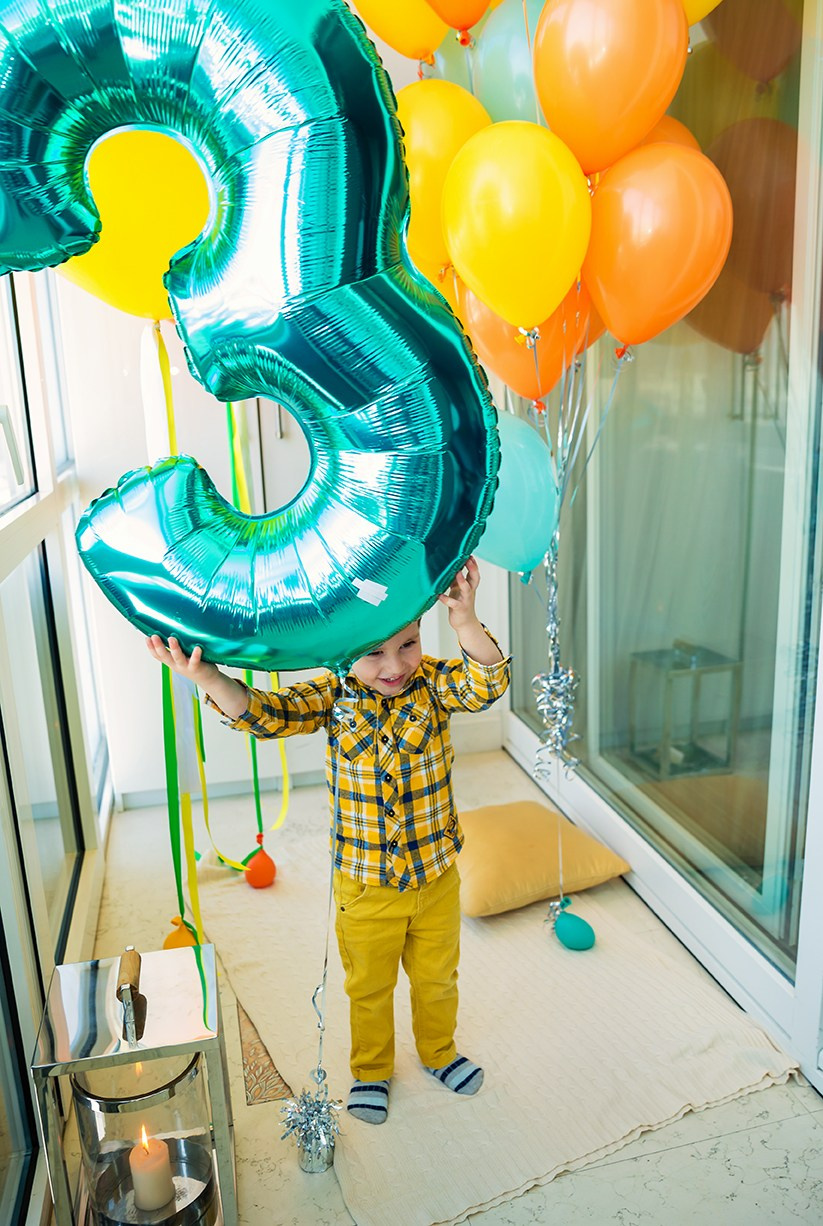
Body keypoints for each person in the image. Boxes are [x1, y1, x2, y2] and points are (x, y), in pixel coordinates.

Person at [146, 556, 510, 1125]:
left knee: (438, 978)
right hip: (365, 887)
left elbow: (487, 685)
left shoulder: (434, 684)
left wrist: (466, 621)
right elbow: (268, 715)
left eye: (408, 644)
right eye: (373, 653)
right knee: (368, 985)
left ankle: (439, 1053)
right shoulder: (330, 694)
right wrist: (209, 679)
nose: (394, 665)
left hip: (436, 877)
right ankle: (371, 1070)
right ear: (344, 651)